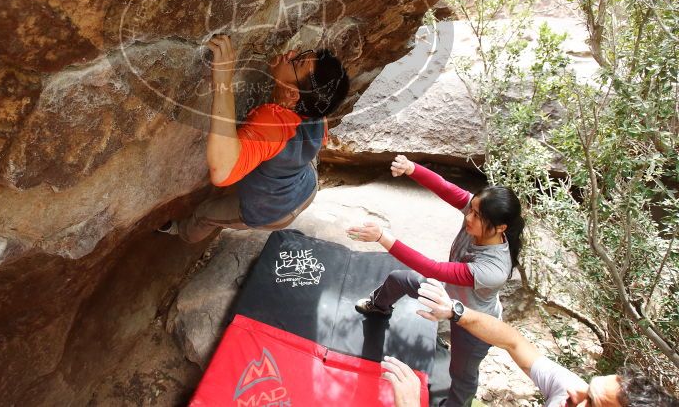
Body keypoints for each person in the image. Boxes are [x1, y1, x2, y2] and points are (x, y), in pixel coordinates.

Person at [347, 154, 525, 407]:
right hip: (445, 295)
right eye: (471, 209)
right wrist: (412, 168)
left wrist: (382, 237)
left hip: (472, 322)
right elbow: (446, 188)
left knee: (461, 375)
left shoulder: (493, 269)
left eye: (476, 216)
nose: (468, 217)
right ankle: (379, 306)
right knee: (399, 279)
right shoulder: (478, 215)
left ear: (500, 228)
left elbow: (433, 268)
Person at [160, 34, 350, 242]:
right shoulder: (317, 109)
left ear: (293, 95)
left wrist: (223, 78)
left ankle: (183, 233)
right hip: (306, 185)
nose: (292, 53)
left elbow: (223, 172)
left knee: (205, 213)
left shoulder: (275, 124)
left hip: (271, 210)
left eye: (298, 61)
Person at [415, 278, 679, 407]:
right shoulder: (572, 392)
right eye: (589, 386)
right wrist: (456, 311)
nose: (575, 392)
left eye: (591, 403)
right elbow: (514, 342)